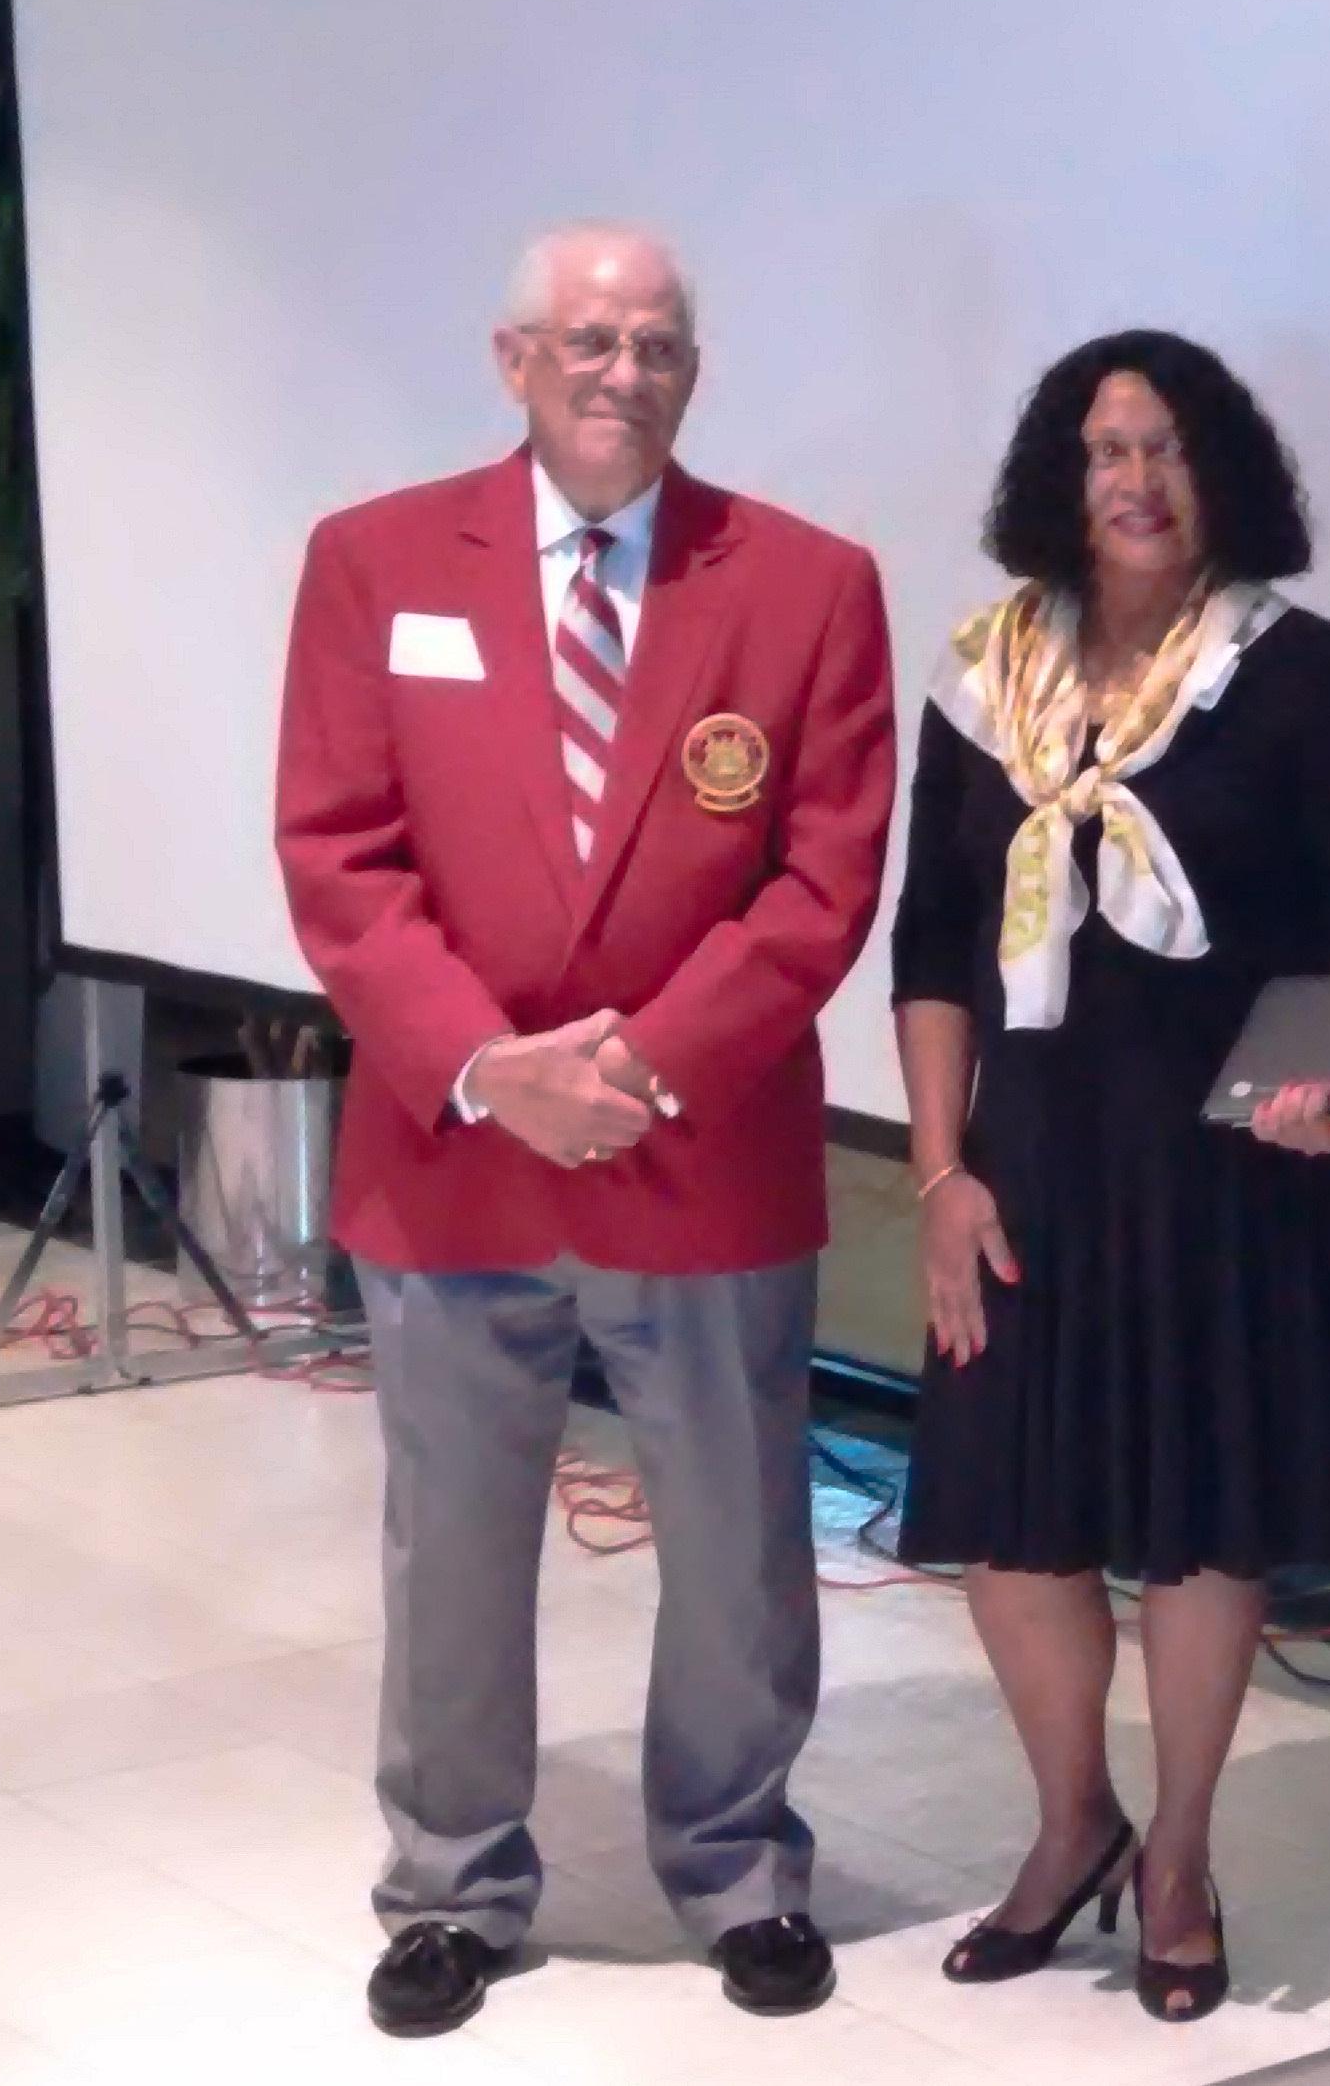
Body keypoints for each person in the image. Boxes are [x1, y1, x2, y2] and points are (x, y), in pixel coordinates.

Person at [273, 223, 896, 2038]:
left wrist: (641, 1066)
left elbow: (823, 878)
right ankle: (453, 1888)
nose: (627, 375)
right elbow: (339, 853)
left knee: (737, 1533)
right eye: (593, 342)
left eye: (662, 349)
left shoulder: (803, 583)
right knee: (450, 1543)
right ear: (515, 359)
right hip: (455, 1146)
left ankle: (739, 1866)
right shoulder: (374, 563)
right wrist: (492, 1066)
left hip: (698, 1151)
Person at [889, 329, 1330, 2024]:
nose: (1135, 482)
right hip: (1031, 1171)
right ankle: (1074, 1828)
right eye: (1106, 450)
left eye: (1169, 450)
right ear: (1064, 479)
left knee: (1199, 1530)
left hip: (1232, 1174)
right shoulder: (991, 680)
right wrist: (936, 1177)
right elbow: (930, 942)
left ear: (1224, 482)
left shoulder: (1297, 669)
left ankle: (1184, 1859)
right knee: (1008, 1523)